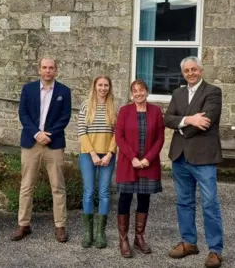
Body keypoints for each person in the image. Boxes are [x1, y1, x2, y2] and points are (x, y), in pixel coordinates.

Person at [164, 56, 224, 268]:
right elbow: (167, 118)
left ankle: (215, 250)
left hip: (204, 157)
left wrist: (180, 124)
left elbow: (207, 120)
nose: (190, 73)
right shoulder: (177, 93)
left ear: (201, 70)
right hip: (180, 157)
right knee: (184, 202)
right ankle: (189, 242)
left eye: (194, 69)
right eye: (186, 70)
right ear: (183, 73)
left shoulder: (213, 92)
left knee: (210, 204)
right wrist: (189, 120)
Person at [11, 58, 72, 243]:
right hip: (31, 142)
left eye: (51, 68)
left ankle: (60, 226)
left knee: (58, 186)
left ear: (56, 71)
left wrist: (49, 134)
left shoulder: (64, 91)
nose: (48, 71)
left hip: (54, 143)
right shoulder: (28, 89)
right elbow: (23, 114)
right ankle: (24, 224)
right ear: (39, 70)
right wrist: (37, 133)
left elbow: (65, 116)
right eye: (44, 68)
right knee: (27, 185)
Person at [115, 80, 165, 258]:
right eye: (135, 91)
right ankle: (123, 239)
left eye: (141, 90)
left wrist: (147, 159)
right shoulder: (124, 111)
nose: (138, 93)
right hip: (128, 163)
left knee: (144, 199)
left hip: (148, 164)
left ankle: (139, 237)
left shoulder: (157, 111)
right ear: (131, 94)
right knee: (125, 199)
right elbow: (119, 137)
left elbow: (160, 138)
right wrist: (134, 158)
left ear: (147, 92)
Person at [77, 75, 117, 249]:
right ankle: (88, 233)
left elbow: (118, 133)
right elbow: (81, 131)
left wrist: (109, 154)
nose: (103, 88)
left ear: (110, 87)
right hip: (88, 154)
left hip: (108, 154)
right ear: (94, 86)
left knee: (104, 192)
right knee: (88, 191)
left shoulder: (114, 107)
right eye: (100, 85)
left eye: (106, 85)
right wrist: (93, 154)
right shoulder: (86, 105)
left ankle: (101, 233)